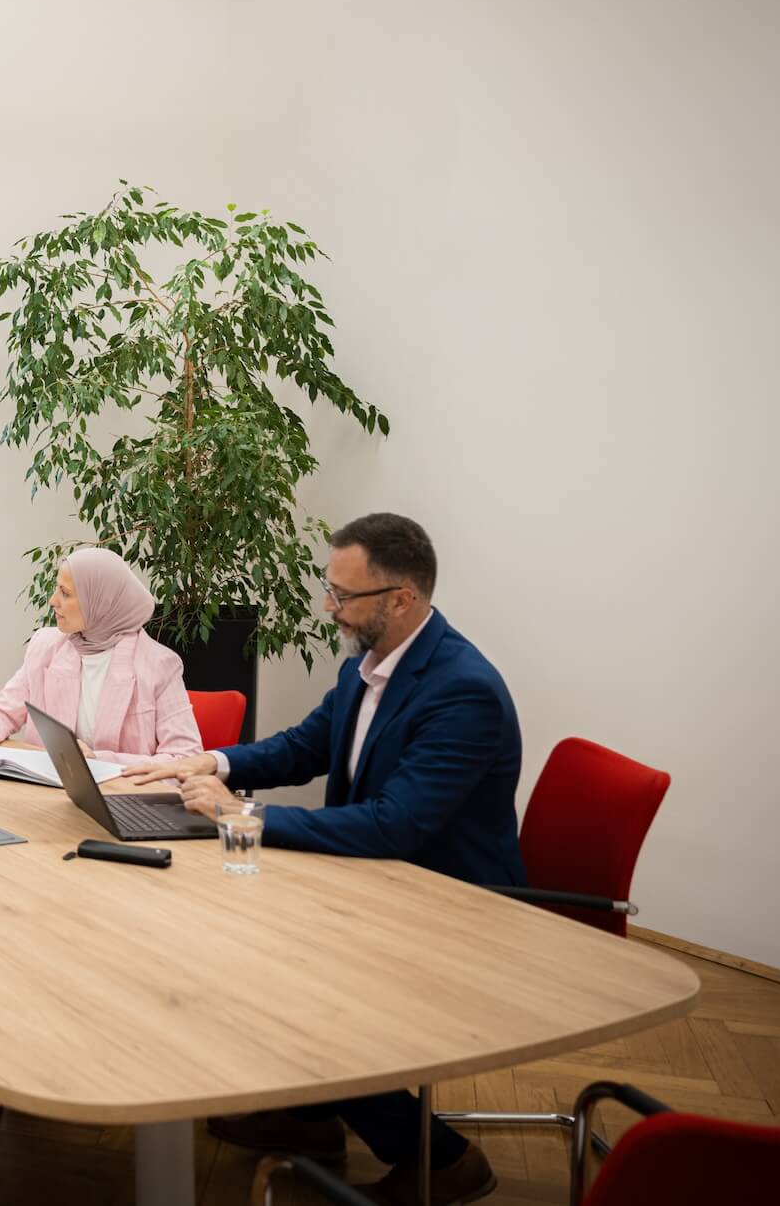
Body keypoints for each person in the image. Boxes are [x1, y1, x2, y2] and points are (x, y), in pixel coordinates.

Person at [118, 513, 522, 1206]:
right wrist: (209, 759)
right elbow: (302, 747)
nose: (327, 608)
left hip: (457, 904)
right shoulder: (367, 665)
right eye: (329, 589)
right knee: (240, 939)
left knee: (290, 976)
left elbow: (397, 824)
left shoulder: (463, 691)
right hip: (383, 878)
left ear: (401, 600)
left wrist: (242, 815)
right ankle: (312, 1117)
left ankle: (443, 1160)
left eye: (342, 596)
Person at [0, 546, 202, 761]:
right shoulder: (46, 646)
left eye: (65, 593)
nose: (52, 601)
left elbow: (185, 758)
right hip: (48, 797)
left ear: (100, 602)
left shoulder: (159, 665)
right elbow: (2, 710)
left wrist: (98, 760)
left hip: (123, 802)